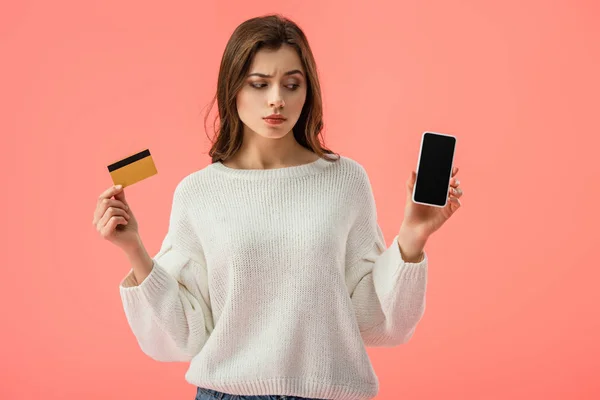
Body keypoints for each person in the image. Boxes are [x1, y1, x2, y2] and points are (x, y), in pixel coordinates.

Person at [92, 14, 463, 400]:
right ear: (232, 89)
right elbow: (184, 335)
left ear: (308, 91)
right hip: (226, 393)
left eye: (291, 85)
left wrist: (413, 236)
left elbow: (375, 322)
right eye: (259, 84)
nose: (277, 100)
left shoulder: (345, 181)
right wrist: (133, 247)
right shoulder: (199, 192)